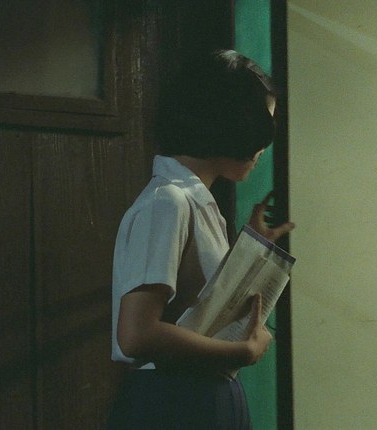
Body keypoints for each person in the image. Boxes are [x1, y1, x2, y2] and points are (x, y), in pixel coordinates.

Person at [106, 49, 295, 430]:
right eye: (264, 125)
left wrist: (249, 253)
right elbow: (136, 334)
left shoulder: (195, 203)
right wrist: (240, 351)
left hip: (201, 395)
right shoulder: (168, 202)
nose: (264, 146)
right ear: (231, 123)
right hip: (174, 401)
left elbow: (197, 311)